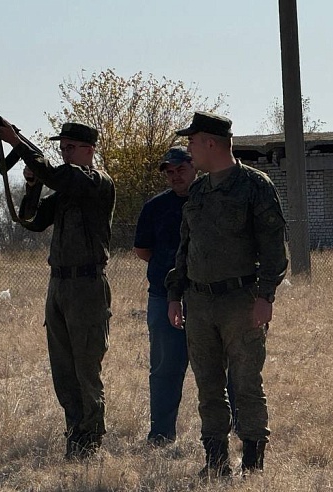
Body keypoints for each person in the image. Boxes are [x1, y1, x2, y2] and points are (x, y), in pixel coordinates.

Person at [164, 112, 288, 477]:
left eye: (192, 141)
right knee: (208, 385)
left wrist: (265, 296)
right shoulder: (198, 191)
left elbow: (273, 247)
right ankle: (215, 462)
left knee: (247, 381)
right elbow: (184, 248)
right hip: (199, 302)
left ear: (211, 143)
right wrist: (175, 294)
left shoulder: (254, 185)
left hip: (241, 301)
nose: (189, 148)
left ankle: (252, 463)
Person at [0, 120, 115, 459]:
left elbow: (59, 176)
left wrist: (16, 141)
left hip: (87, 285)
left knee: (86, 367)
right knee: (63, 369)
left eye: (71, 148)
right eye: (62, 148)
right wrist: (32, 185)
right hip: (59, 283)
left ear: (90, 150)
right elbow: (31, 220)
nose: (65, 153)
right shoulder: (64, 187)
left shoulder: (95, 181)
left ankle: (90, 438)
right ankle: (75, 434)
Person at [133, 146, 197, 446]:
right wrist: (169, 273)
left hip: (205, 298)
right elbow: (143, 250)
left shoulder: (209, 200)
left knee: (222, 369)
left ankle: (232, 433)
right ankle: (161, 434)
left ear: (194, 166)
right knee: (164, 369)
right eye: (169, 173)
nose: (175, 176)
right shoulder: (155, 207)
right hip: (162, 297)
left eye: (180, 170)